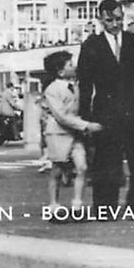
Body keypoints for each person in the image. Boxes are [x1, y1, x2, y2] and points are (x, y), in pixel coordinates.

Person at [77, 0, 134, 210]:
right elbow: (85, 84)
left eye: (119, 19)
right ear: (100, 19)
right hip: (106, 112)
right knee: (107, 160)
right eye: (109, 20)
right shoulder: (91, 45)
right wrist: (85, 118)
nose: (115, 24)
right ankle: (105, 208)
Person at [41, 51, 102, 215]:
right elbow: (61, 116)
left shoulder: (74, 86)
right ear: (60, 71)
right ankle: (54, 204)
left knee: (82, 167)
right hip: (58, 134)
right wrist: (86, 125)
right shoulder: (52, 90)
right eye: (70, 64)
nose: (74, 67)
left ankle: (77, 204)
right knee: (57, 170)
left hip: (75, 133)